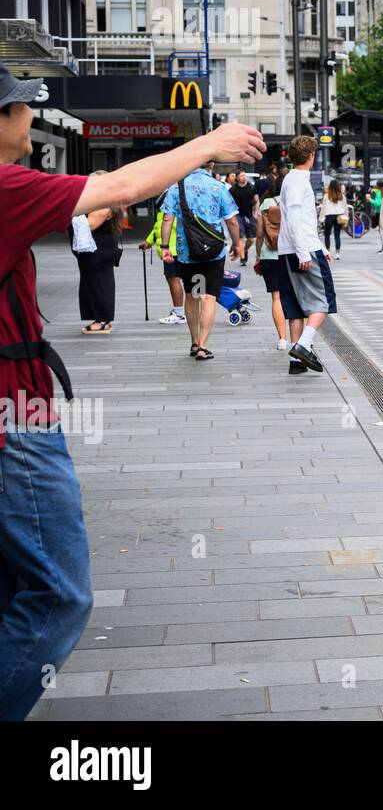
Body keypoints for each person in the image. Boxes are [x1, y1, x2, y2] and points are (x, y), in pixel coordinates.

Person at [0, 61, 263, 721]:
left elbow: (107, 188)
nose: (32, 118)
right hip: (14, 419)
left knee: (14, 587)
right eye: (22, 107)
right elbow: (115, 183)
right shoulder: (2, 186)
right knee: (61, 596)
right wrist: (207, 143)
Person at [160, 167, 243, 361]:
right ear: (212, 166)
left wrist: (165, 246)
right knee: (208, 297)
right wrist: (237, 245)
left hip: (187, 251)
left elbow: (167, 218)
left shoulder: (177, 188)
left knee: (193, 294)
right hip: (213, 252)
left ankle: (194, 341)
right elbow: (232, 221)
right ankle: (203, 347)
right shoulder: (218, 187)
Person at [278, 135, 337, 374]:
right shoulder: (299, 181)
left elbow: (302, 220)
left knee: (296, 305)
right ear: (311, 156)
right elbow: (294, 218)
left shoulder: (291, 179)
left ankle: (296, 360)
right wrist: (306, 252)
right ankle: (304, 344)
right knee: (324, 301)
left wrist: (321, 247)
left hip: (290, 249)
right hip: (302, 250)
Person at [70, 172, 123, 335]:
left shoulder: (104, 205)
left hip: (98, 251)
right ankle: (101, 319)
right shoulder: (102, 202)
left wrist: (71, 212)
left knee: (99, 285)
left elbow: (88, 225)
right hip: (97, 250)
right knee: (94, 284)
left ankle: (102, 320)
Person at [139, 193, 186, 325]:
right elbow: (158, 229)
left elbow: (170, 227)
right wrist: (148, 242)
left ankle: (179, 313)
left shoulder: (174, 211)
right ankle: (182, 312)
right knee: (173, 279)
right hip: (171, 251)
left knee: (174, 279)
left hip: (174, 251)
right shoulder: (163, 213)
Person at [255, 177, 288, 351]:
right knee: (295, 296)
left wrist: (257, 254)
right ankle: (301, 337)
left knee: (276, 297)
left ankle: (282, 338)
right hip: (290, 254)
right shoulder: (292, 200)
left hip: (269, 255)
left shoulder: (266, 203)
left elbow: (260, 233)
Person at [229, 170, 259, 266]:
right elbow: (229, 203)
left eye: (244, 175)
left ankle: (245, 250)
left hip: (250, 215)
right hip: (238, 215)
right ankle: (242, 258)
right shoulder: (232, 190)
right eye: (241, 176)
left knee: (251, 239)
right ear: (237, 178)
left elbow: (256, 200)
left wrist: (256, 213)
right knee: (240, 237)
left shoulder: (251, 187)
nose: (244, 177)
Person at [319, 179, 347, 259]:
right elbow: (345, 208)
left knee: (327, 235)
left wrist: (321, 219)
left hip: (329, 216)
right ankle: (337, 253)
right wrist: (346, 218)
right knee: (337, 235)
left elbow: (323, 208)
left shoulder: (326, 196)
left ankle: (327, 252)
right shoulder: (342, 196)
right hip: (339, 216)